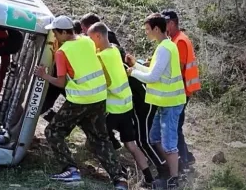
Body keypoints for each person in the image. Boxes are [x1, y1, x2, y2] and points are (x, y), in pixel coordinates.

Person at [34, 15, 129, 189]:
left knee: (53, 131)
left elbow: (61, 82)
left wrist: (44, 75)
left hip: (80, 99)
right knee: (100, 138)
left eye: (55, 32)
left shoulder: (63, 52)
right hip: (99, 97)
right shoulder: (87, 41)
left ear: (63, 32)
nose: (54, 36)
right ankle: (119, 179)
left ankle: (70, 169)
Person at [87, 22, 155, 187]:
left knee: (99, 140)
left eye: (90, 38)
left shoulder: (100, 58)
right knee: (131, 144)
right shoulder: (115, 51)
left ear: (98, 36)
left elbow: (105, 81)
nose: (90, 42)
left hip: (112, 109)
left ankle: (119, 172)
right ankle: (149, 178)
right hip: (126, 106)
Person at [125, 13, 187, 189]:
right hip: (164, 102)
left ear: (156, 29)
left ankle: (174, 178)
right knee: (154, 138)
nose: (146, 33)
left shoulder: (165, 49)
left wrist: (132, 72)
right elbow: (153, 70)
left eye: (147, 29)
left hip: (171, 103)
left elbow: (152, 76)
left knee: (168, 142)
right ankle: (173, 167)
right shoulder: (165, 46)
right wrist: (135, 64)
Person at [161, 10, 200, 172]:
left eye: (164, 24)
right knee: (176, 125)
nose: (163, 28)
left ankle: (183, 161)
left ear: (171, 23)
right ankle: (187, 157)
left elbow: (179, 67)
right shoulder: (175, 39)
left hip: (181, 91)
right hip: (181, 90)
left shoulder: (180, 41)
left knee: (175, 126)